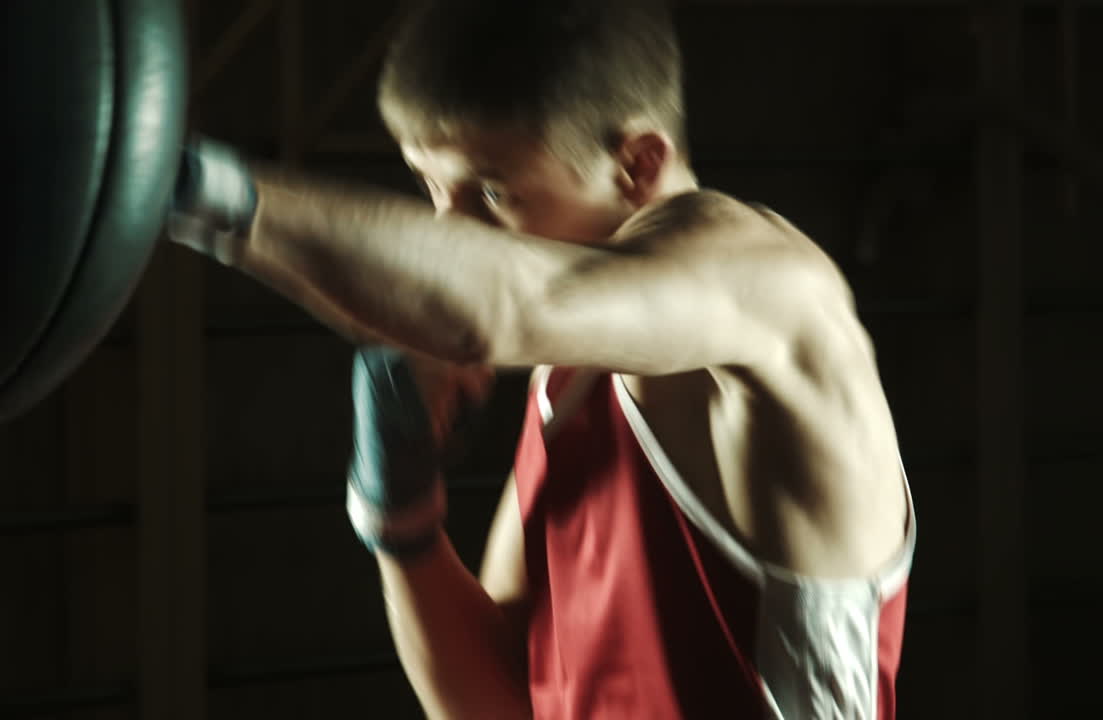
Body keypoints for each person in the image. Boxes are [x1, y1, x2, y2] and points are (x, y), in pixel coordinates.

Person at [169, 0, 916, 717]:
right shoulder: (570, 377)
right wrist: (404, 525)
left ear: (637, 163)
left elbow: (509, 306)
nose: (450, 229)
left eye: (492, 194)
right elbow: (505, 702)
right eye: (432, 188)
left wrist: (180, 189)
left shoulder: (776, 292)